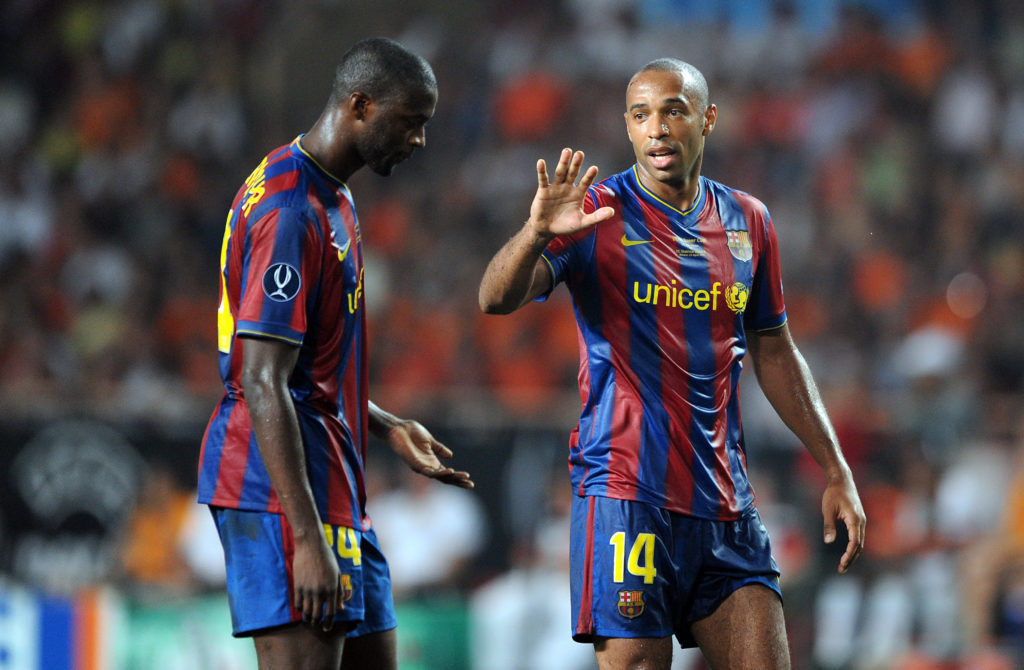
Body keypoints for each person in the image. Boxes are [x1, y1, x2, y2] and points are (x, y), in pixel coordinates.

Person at [478, 58, 866, 669]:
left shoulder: (748, 220)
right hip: (627, 494)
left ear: (707, 120)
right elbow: (495, 299)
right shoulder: (594, 214)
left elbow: (774, 347)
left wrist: (835, 466)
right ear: (628, 129)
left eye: (673, 111)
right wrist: (534, 233)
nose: (656, 128)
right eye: (640, 115)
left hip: (726, 504)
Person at [196, 37, 473, 670]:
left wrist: (384, 423)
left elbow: (305, 368)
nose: (420, 140)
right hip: (276, 489)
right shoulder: (289, 208)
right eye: (411, 122)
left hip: (334, 478)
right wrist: (305, 537)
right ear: (360, 105)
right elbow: (262, 379)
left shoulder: (333, 198)